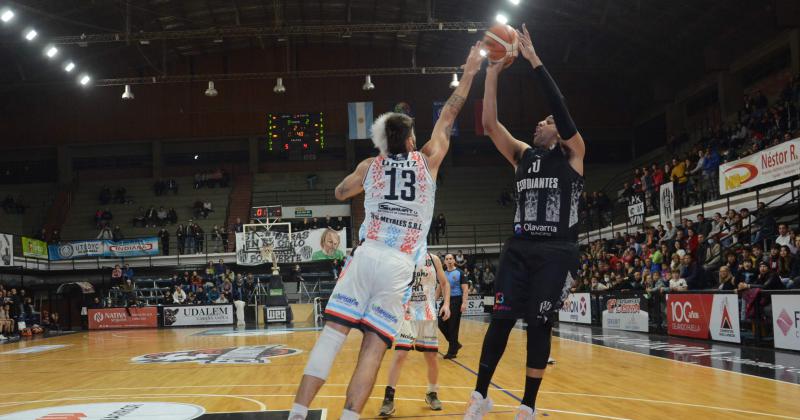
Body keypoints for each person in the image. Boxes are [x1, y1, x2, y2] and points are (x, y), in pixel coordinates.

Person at [288, 43, 483, 420]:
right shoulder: (427, 161)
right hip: (398, 265)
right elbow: (451, 112)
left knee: (331, 338)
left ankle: (297, 414)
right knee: (373, 350)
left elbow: (340, 191)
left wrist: (367, 175)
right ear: (410, 140)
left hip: (365, 255)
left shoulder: (369, 166)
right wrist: (471, 70)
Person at [466, 25, 586, 420]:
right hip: (518, 248)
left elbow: (561, 108)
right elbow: (489, 124)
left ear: (560, 130)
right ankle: (480, 395)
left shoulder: (573, 154)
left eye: (546, 121)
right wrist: (493, 73)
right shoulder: (522, 155)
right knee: (499, 321)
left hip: (557, 251)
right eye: (539, 121)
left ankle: (528, 405)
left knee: (538, 324)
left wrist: (534, 60)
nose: (540, 123)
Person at [378, 253, 451, 417]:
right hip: (407, 313)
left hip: (428, 314)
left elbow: (445, 283)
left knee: (431, 356)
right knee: (400, 354)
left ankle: (432, 393)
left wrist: (446, 304)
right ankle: (388, 398)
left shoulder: (433, 259)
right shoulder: (401, 257)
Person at [438, 254, 468, 359]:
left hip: (456, 300)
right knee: (440, 323)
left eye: (451, 259)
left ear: (454, 260)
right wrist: (433, 301)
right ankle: (455, 343)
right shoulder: (443, 274)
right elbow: (439, 288)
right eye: (447, 259)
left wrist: (464, 303)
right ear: (444, 262)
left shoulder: (460, 273)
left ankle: (452, 352)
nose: (449, 260)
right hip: (445, 300)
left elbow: (465, 289)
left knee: (453, 326)